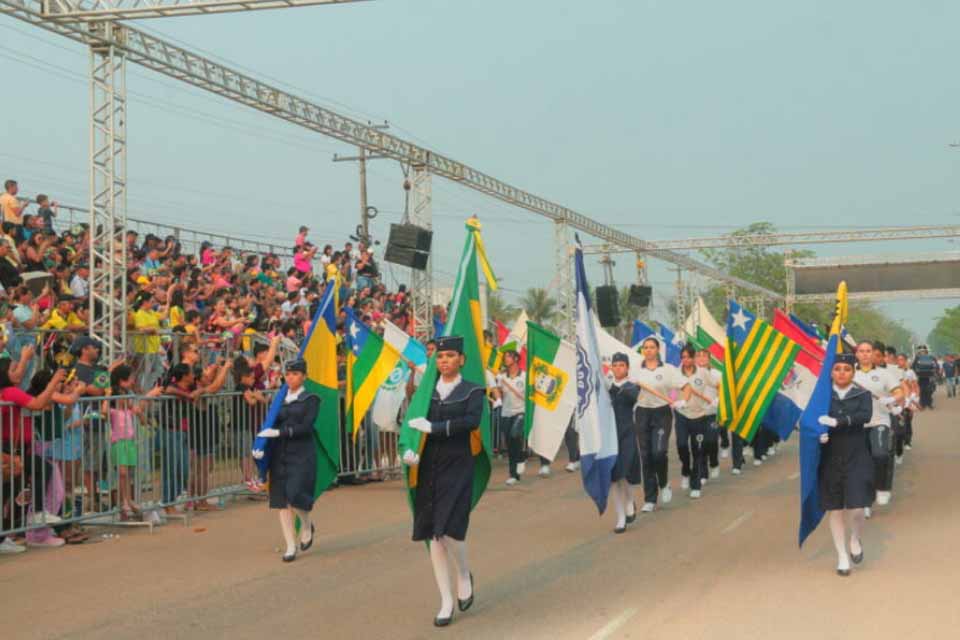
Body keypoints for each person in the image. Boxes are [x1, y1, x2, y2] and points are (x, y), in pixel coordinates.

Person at [402, 335, 483, 627]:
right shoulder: (427, 392)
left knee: (451, 529)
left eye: (450, 356)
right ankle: (446, 600)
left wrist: (434, 427)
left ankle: (463, 572)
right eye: (440, 356)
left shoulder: (473, 390)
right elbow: (411, 425)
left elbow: (471, 421)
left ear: (461, 359)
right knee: (433, 532)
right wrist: (410, 449)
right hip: (429, 466)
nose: (444, 361)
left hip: (457, 464)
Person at [255, 359, 320, 563]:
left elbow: (306, 427)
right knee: (281, 500)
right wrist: (260, 445)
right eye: (288, 374)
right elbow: (269, 422)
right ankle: (290, 545)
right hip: (279, 452)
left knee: (295, 494)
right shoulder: (279, 400)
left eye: (295, 374)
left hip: (301, 452)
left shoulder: (311, 399)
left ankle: (306, 524)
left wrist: (280, 432)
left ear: (304, 377)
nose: (290, 377)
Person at [818, 352, 873, 576]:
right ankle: (842, 556)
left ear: (853, 372)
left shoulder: (862, 394)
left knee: (858, 507)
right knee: (835, 508)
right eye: (837, 369)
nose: (841, 373)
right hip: (830, 455)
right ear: (831, 372)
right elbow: (811, 419)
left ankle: (855, 539)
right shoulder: (822, 395)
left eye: (847, 369)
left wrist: (838, 421)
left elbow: (865, 416)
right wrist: (817, 434)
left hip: (856, 453)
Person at [632, 336, 689, 513]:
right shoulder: (635, 370)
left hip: (662, 413)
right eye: (645, 347)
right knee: (646, 456)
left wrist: (683, 401)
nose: (648, 350)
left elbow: (686, 387)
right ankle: (650, 498)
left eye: (651, 347)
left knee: (659, 452)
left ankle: (664, 483)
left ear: (657, 350)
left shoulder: (668, 370)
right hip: (642, 413)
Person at [854, 341, 903, 514]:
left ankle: (881, 487)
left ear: (873, 354)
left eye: (868, 351)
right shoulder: (850, 373)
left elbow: (899, 392)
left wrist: (891, 399)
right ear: (856, 354)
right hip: (857, 424)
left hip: (879, 421)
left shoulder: (884, 374)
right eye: (862, 351)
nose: (865, 354)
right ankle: (865, 501)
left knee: (880, 454)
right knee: (860, 463)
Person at [608, 352, 640, 532]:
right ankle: (620, 517)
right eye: (615, 365)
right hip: (609, 435)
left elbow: (633, 398)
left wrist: (627, 388)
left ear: (627, 367)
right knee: (613, 478)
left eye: (621, 365)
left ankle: (630, 500)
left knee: (624, 473)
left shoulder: (632, 386)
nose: (618, 368)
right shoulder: (606, 386)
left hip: (627, 433)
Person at [496, 349, 526, 486]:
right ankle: (515, 471)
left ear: (516, 359)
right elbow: (498, 392)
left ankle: (519, 462)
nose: (505, 359)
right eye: (505, 357)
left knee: (515, 435)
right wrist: (497, 398)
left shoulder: (524, 376)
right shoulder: (502, 377)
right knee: (510, 444)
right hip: (506, 413)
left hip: (520, 412)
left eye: (508, 356)